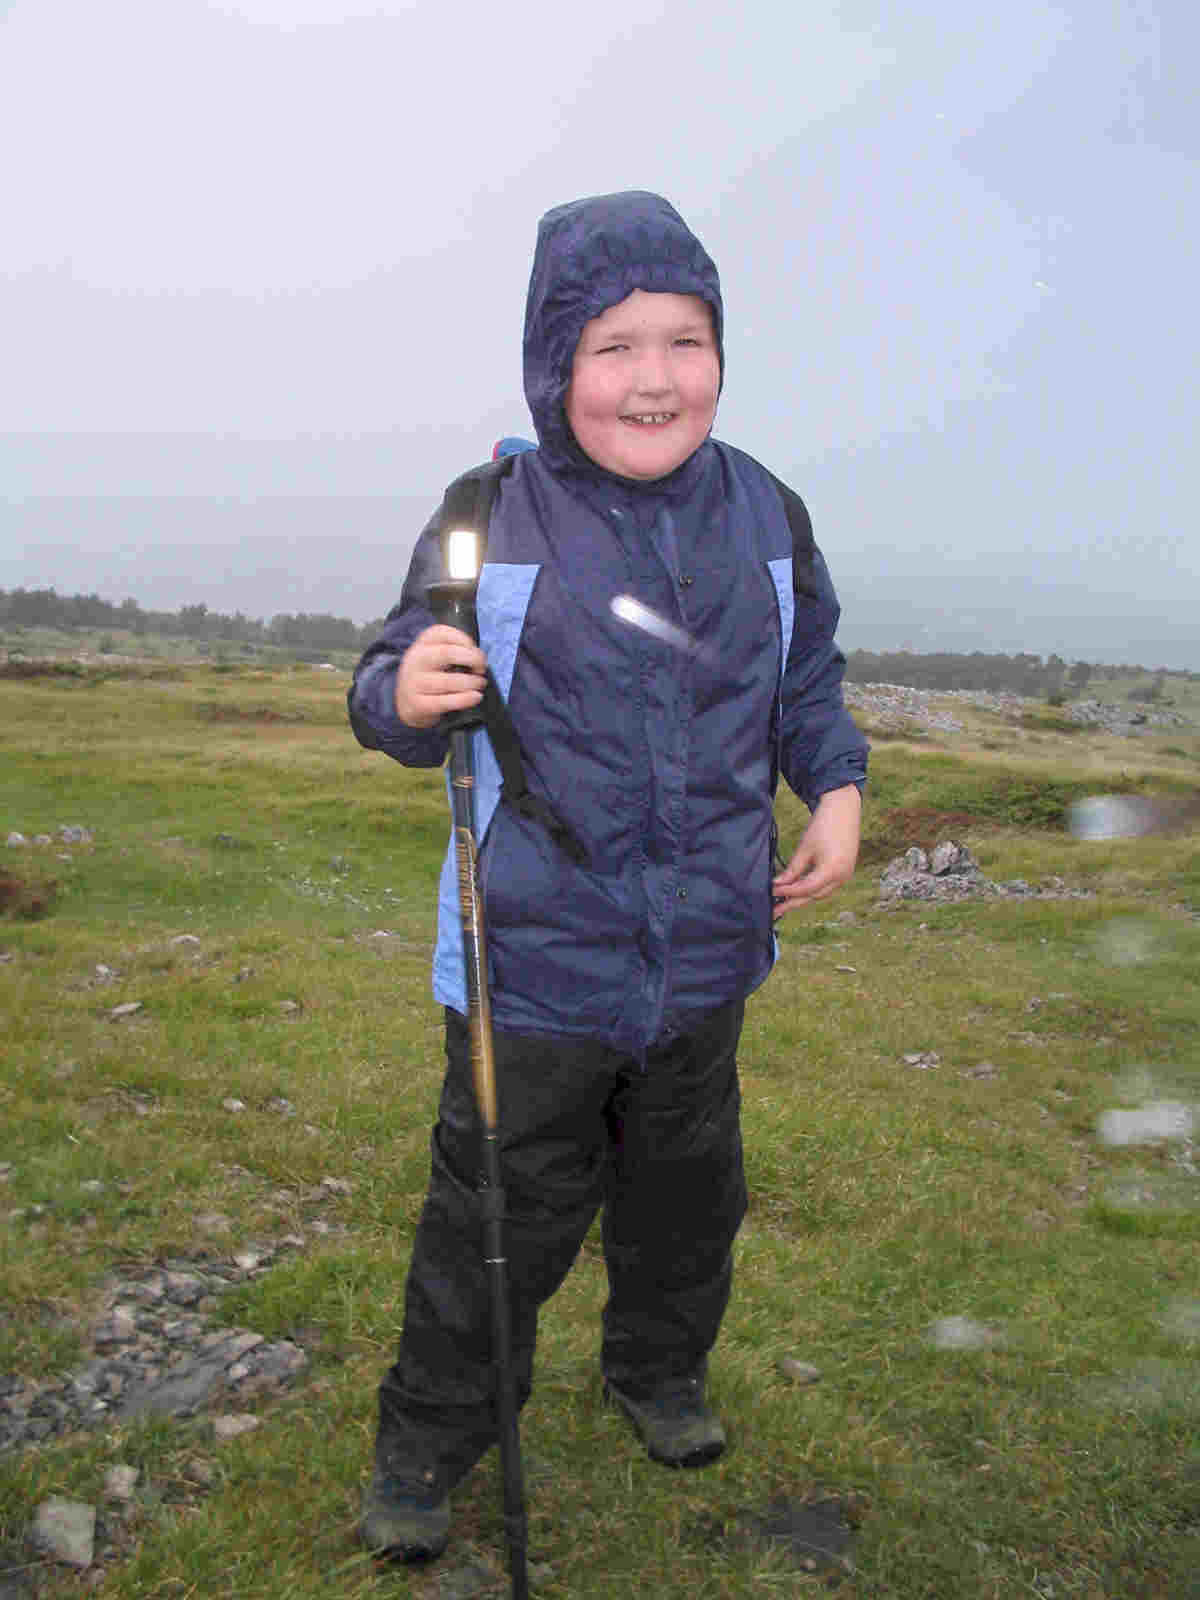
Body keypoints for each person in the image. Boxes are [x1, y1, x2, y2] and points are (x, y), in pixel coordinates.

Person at [347, 190, 868, 1563]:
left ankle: (657, 1374)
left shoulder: (766, 510)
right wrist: (403, 691)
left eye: (684, 341)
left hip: (707, 955)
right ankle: (428, 1447)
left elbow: (805, 677)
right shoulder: (487, 516)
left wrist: (841, 787)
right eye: (614, 347)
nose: (655, 378)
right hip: (532, 963)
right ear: (553, 363)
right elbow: (387, 680)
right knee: (492, 1225)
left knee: (691, 1198)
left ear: (721, 354)